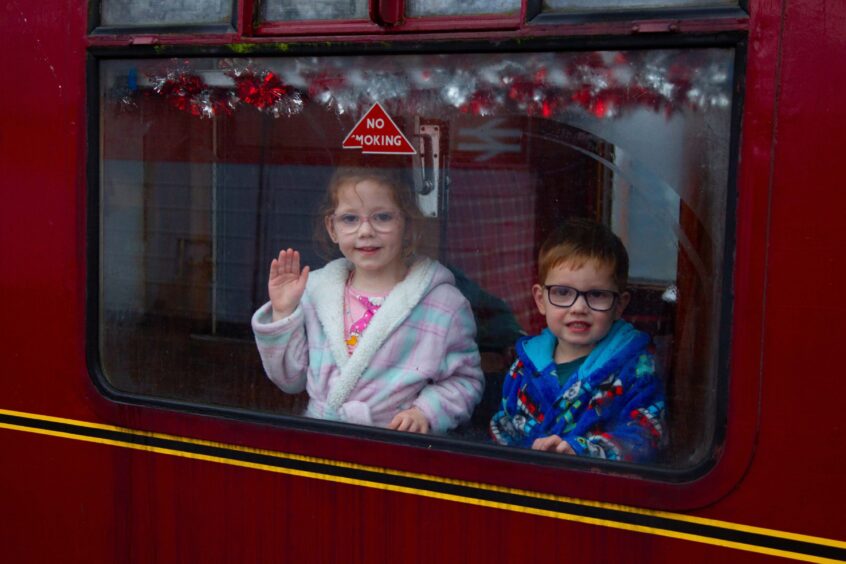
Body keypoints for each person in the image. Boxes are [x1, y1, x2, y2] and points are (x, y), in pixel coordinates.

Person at [252, 166, 484, 434]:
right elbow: (290, 380)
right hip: (322, 441)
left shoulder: (443, 306)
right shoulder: (317, 292)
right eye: (350, 219)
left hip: (394, 445)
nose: (365, 231)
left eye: (382, 217)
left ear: (407, 224)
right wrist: (283, 313)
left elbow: (465, 381)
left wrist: (426, 411)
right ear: (332, 227)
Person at [489, 218, 665, 462]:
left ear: (619, 305)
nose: (579, 307)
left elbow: (645, 436)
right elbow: (504, 427)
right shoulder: (523, 366)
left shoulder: (636, 368)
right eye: (562, 292)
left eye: (597, 295)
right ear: (540, 300)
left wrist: (581, 450)